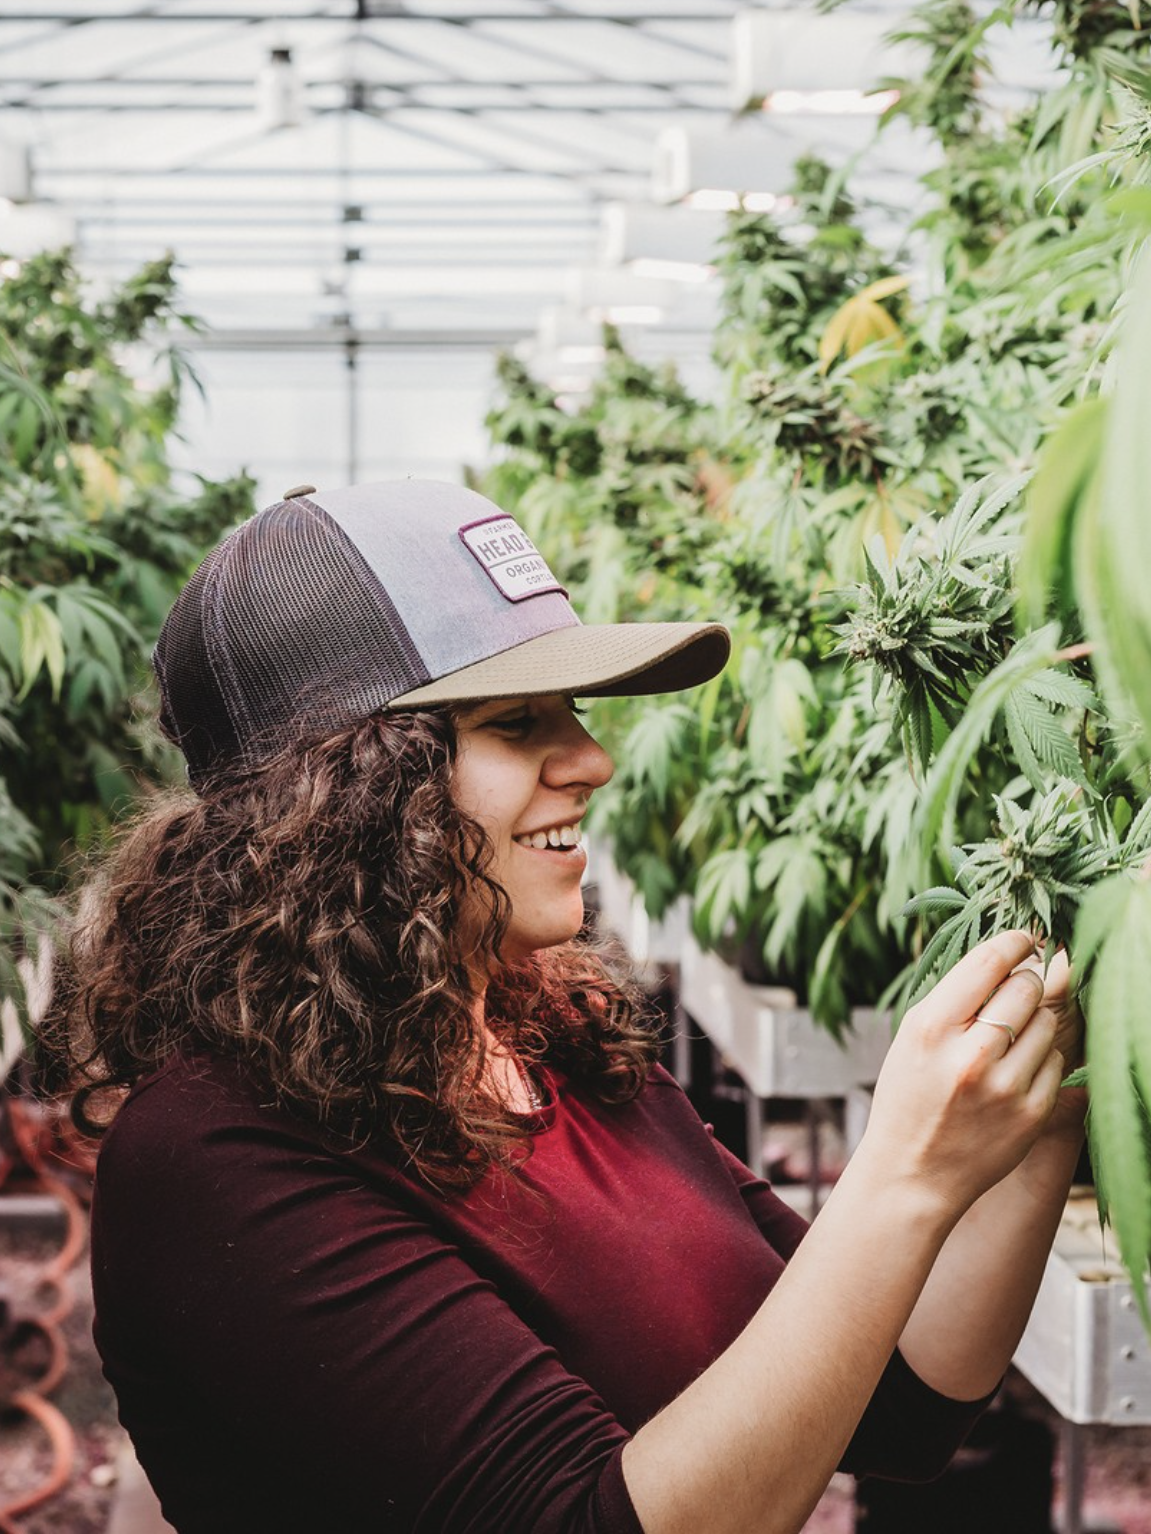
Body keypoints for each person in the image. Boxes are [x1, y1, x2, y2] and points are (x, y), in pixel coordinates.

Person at [47, 480, 1086, 1534]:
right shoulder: (215, 1156)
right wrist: (904, 1169)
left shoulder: (544, 1034)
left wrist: (1047, 1100)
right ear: (344, 791)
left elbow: (895, 1403)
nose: (590, 759)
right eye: (515, 722)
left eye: (574, 713)